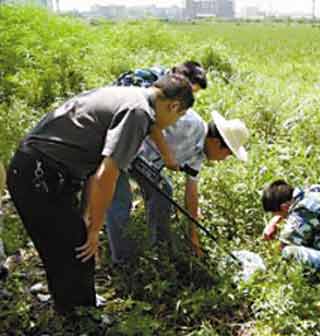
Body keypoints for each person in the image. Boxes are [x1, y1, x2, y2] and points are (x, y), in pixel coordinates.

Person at [6, 73, 194, 314]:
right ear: (174, 106)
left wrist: (87, 216)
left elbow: (92, 166)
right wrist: (95, 230)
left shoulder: (132, 97)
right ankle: (76, 318)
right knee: (72, 250)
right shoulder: (139, 113)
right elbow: (106, 176)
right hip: (37, 173)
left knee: (77, 243)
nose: (174, 121)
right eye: (179, 116)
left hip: (46, 171)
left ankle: (81, 310)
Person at [106, 61, 250, 262]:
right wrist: (167, 156)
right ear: (218, 144)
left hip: (142, 163)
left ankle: (160, 251)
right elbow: (150, 117)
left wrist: (194, 237)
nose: (224, 160)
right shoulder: (191, 124)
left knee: (164, 191)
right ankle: (123, 262)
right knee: (120, 201)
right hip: (124, 144)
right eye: (227, 154)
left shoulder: (198, 157)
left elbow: (192, 193)